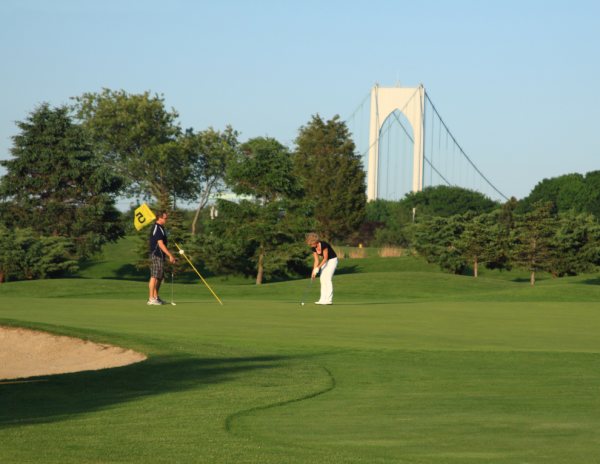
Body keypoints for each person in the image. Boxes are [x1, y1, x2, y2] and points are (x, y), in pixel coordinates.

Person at [148, 211, 176, 305]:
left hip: (160, 255)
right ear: (159, 218)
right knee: (154, 276)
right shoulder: (157, 228)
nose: (166, 219)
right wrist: (170, 255)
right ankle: (151, 298)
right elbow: (160, 244)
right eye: (165, 218)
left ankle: (156, 297)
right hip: (156, 254)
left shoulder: (162, 228)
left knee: (159, 277)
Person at [306, 232, 338, 305]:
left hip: (332, 260)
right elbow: (316, 260)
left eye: (311, 243)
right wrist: (314, 272)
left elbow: (326, 258)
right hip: (325, 261)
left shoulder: (324, 244)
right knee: (322, 279)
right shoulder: (313, 248)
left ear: (315, 241)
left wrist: (318, 268)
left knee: (328, 278)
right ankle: (322, 299)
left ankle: (329, 300)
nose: (310, 245)